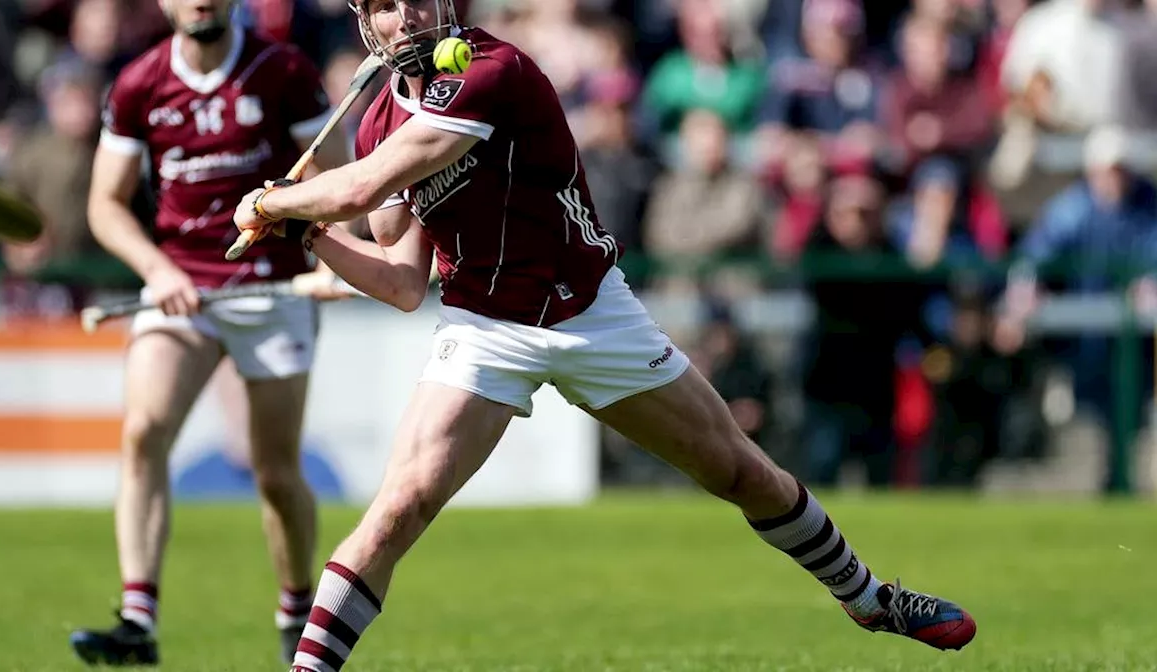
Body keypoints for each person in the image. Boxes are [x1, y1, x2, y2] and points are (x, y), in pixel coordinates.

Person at [233, 2, 978, 670]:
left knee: (743, 474)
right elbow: (400, 279)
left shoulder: (495, 71)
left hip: (588, 311)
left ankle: (871, 598)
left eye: (416, 0)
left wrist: (275, 200)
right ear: (364, 20)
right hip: (484, 327)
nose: (405, 19)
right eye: (385, 6)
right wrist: (307, 235)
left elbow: (365, 185)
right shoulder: (373, 121)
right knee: (397, 509)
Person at [69, 0, 355, 665]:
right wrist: (155, 268)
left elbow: (342, 183)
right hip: (181, 290)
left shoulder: (282, 71)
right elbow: (105, 204)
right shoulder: (140, 82)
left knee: (276, 474)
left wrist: (334, 256)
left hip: (271, 291)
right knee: (143, 431)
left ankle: (293, 607)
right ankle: (137, 618)